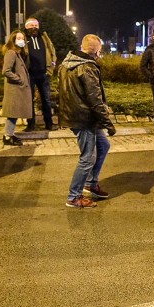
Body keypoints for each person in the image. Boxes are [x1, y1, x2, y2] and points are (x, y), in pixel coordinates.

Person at [58, 34, 117, 208]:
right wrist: (108, 123)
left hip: (77, 115)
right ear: (96, 50)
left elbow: (60, 92)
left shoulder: (65, 64)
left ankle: (91, 183)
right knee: (87, 158)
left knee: (104, 145)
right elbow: (95, 99)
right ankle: (74, 196)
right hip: (84, 118)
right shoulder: (88, 67)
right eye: (99, 50)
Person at [23, 17, 56, 132]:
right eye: (32, 25)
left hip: (43, 74)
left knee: (46, 100)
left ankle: (49, 124)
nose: (35, 27)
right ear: (26, 26)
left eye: (36, 25)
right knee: (29, 100)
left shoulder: (43, 37)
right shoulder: (23, 38)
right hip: (29, 75)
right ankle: (30, 124)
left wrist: (53, 63)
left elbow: (52, 50)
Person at [1, 31, 33, 146]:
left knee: (13, 114)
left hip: (16, 89)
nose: (21, 40)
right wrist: (20, 79)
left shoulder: (18, 53)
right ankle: (7, 136)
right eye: (18, 38)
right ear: (13, 40)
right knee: (12, 114)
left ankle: (9, 134)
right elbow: (6, 71)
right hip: (14, 89)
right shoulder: (11, 52)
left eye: (22, 38)